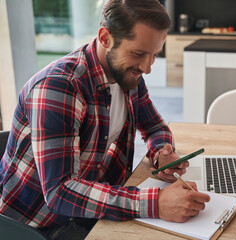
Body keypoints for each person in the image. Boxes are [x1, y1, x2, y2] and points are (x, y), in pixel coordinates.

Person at [0, 0, 210, 239]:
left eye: (154, 55)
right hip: (36, 225)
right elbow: (60, 192)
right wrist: (156, 202)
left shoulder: (127, 73)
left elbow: (154, 126)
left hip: (84, 211)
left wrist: (162, 153)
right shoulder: (59, 87)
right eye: (138, 53)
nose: (147, 68)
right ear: (105, 37)